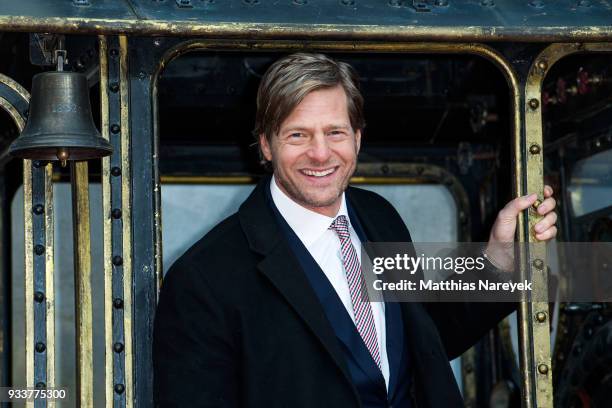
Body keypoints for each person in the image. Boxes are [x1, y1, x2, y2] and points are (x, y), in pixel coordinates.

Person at [153, 53, 557, 407]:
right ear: (266, 145)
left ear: (357, 138)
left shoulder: (378, 216)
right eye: (298, 135)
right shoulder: (201, 279)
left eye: (335, 132)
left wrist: (498, 258)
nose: (320, 153)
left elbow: (421, 344)